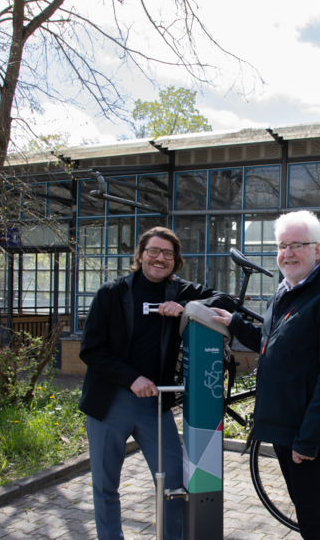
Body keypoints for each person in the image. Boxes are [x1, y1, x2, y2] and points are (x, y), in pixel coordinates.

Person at [211, 210, 320, 540]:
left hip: (306, 434)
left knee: (312, 518)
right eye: (282, 245)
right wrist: (234, 322)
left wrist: (308, 440)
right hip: (283, 426)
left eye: (297, 244)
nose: (287, 253)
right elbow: (271, 345)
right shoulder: (285, 292)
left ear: (318, 249)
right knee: (305, 511)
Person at [79, 226, 236, 540]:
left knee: (175, 483)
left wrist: (191, 308)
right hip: (110, 402)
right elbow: (90, 349)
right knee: (105, 485)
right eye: (153, 251)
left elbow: (225, 301)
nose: (160, 258)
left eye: (168, 253)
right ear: (140, 255)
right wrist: (131, 378)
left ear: (175, 261)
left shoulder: (179, 290)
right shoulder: (112, 292)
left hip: (156, 404)